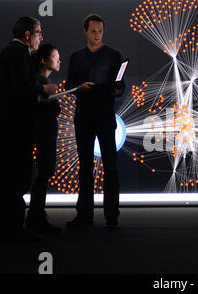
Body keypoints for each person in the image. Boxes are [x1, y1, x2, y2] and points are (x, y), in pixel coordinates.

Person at [0, 16, 57, 241]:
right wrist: (44, 89)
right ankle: (7, 228)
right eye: (38, 32)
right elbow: (22, 87)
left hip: (12, 123)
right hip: (14, 124)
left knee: (8, 175)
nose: (41, 37)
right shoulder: (17, 53)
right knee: (13, 176)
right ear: (27, 35)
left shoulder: (15, 53)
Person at [65, 14, 125, 230]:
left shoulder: (114, 55)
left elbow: (121, 86)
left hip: (105, 115)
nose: (97, 35)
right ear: (85, 31)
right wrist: (79, 87)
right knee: (85, 167)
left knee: (110, 167)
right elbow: (70, 83)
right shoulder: (75, 57)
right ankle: (84, 215)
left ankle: (111, 216)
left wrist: (118, 89)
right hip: (84, 116)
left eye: (100, 31)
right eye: (93, 31)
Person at [25, 44, 62, 233]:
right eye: (55, 57)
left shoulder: (42, 82)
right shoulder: (40, 83)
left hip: (45, 132)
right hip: (44, 133)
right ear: (44, 60)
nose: (58, 61)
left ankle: (36, 215)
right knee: (44, 171)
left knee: (43, 172)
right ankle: (36, 217)